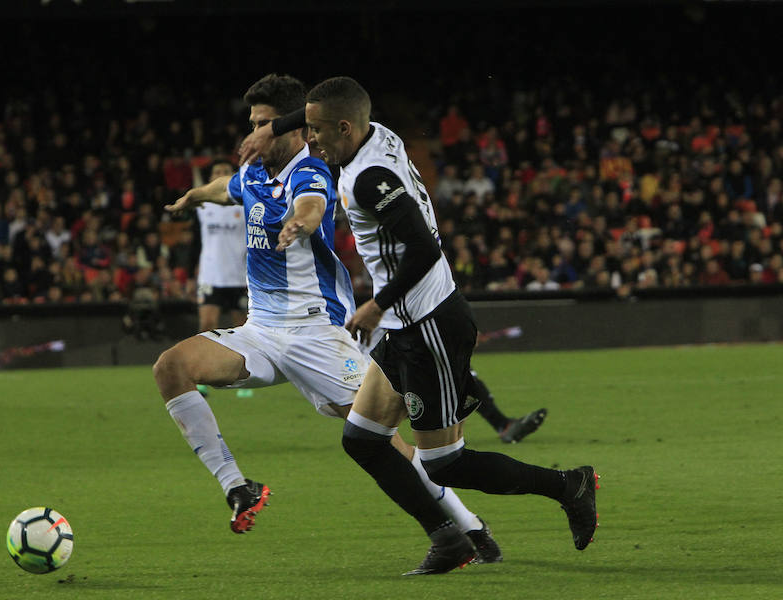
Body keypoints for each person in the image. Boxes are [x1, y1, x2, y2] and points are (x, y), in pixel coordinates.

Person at [239, 76, 599, 575]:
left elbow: (427, 250)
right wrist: (273, 127)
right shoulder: (376, 132)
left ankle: (569, 486)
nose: (309, 139)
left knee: (445, 463)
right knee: (362, 439)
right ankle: (449, 541)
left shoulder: (368, 179)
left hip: (428, 325)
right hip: (407, 326)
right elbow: (324, 109)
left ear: (344, 128)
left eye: (316, 131)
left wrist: (375, 305)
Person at [155, 74, 501, 571]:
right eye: (251, 124)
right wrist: (194, 196)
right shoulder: (253, 174)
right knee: (171, 367)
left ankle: (466, 526)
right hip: (261, 331)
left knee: (383, 437)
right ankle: (239, 487)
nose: (254, 134)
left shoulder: (310, 170)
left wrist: (302, 221)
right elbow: (224, 189)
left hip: (317, 333)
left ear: (297, 129)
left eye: (264, 125)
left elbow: (312, 204)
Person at [190, 160, 249, 398]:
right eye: (216, 172)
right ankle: (202, 377)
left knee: (242, 331)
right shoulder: (205, 204)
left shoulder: (245, 203)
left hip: (239, 276)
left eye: (226, 172)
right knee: (206, 325)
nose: (221, 175)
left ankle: (242, 379)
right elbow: (196, 188)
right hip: (210, 275)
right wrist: (194, 168)